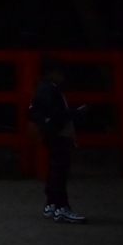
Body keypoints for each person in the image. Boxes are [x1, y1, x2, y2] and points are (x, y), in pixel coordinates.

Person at [28, 57, 88, 223]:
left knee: (56, 170)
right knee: (60, 172)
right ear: (52, 72)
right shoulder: (48, 89)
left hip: (52, 133)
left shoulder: (44, 88)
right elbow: (56, 113)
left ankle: (52, 204)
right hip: (58, 133)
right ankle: (62, 207)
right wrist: (77, 113)